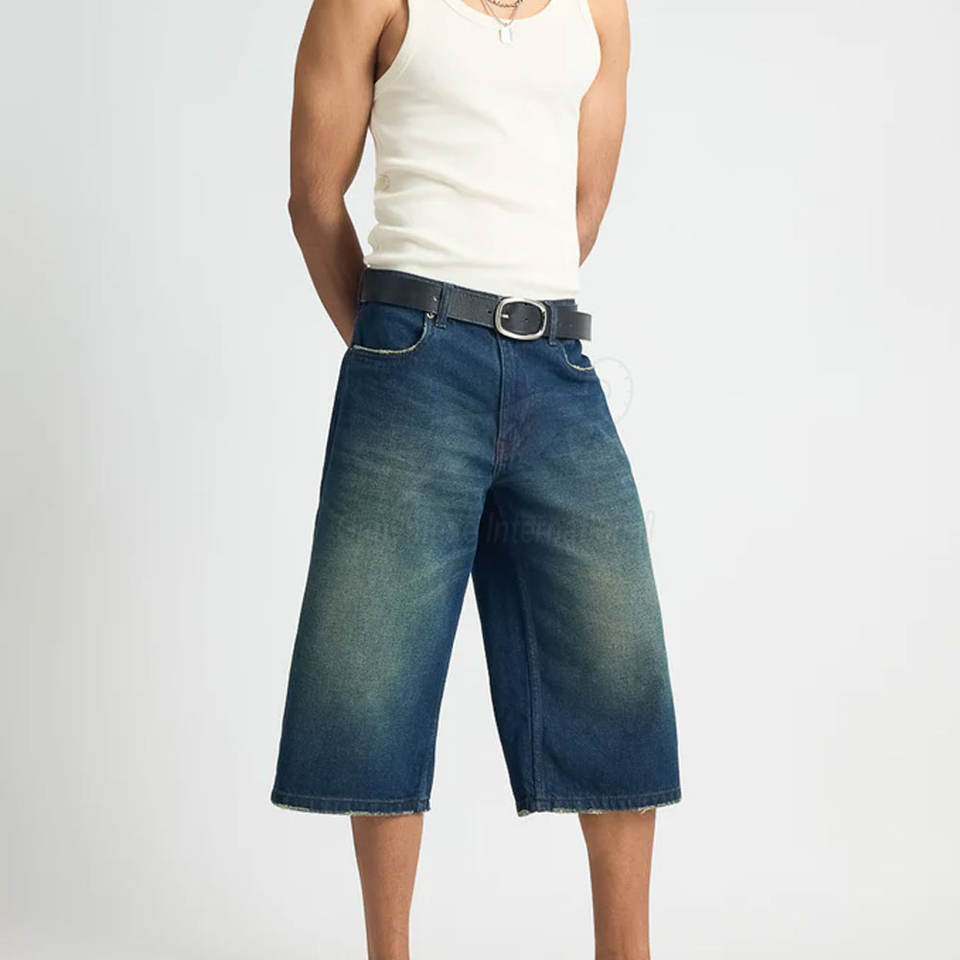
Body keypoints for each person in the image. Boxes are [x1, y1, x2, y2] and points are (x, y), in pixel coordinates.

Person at [270, 0, 682, 954]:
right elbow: (313, 198)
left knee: (618, 666)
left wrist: (508, 314)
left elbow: (580, 212)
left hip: (554, 359)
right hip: (410, 343)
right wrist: (393, 349)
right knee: (376, 674)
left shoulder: (599, 12)